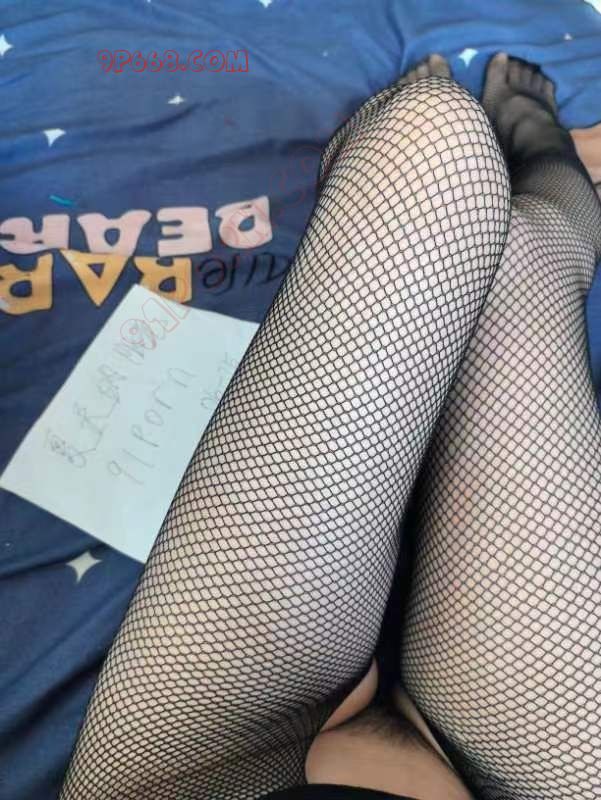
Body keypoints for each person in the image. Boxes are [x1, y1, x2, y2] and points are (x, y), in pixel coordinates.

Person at [59, 52, 601, 800]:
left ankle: (466, 157)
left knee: (428, 145)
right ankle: (539, 138)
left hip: (208, 772)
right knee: (522, 253)